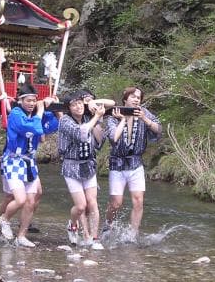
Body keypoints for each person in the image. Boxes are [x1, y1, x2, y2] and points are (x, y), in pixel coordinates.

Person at [0, 84, 58, 248]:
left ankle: (22, 235)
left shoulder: (36, 113)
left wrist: (53, 106)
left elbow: (52, 125)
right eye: (28, 100)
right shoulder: (16, 114)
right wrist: (41, 110)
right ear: (21, 100)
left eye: (34, 100)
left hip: (29, 162)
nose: (32, 103)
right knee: (20, 199)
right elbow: (33, 128)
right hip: (14, 161)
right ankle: (4, 219)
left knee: (31, 201)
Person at [104, 86, 162, 237]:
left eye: (138, 97)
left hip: (136, 162)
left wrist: (145, 119)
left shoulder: (144, 112)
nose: (136, 99)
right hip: (117, 163)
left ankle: (133, 234)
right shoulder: (114, 114)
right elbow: (112, 137)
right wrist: (122, 120)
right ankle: (108, 226)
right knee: (116, 203)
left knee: (138, 201)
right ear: (125, 98)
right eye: (133, 96)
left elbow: (158, 130)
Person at [58, 91, 106, 249]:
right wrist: (96, 117)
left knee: (92, 203)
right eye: (74, 105)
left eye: (80, 103)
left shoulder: (87, 116)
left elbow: (111, 103)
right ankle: (73, 225)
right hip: (71, 166)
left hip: (88, 164)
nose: (78, 107)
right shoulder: (65, 121)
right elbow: (81, 133)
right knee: (81, 206)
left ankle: (94, 238)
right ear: (68, 108)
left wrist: (92, 102)